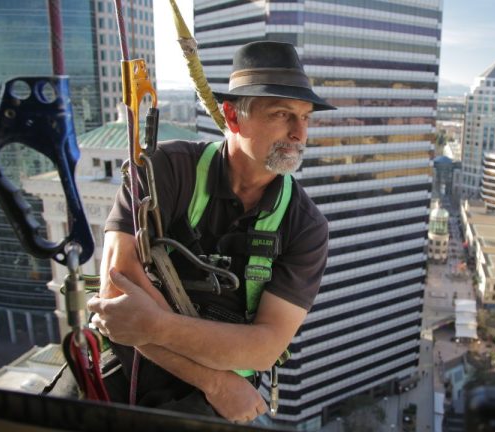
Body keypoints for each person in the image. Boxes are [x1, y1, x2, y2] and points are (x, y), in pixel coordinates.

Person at [87, 41, 335, 423]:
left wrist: (153, 324)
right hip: (135, 367)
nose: (299, 133)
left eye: (305, 118)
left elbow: (264, 347)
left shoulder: (305, 227)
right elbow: (117, 297)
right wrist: (214, 382)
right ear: (233, 117)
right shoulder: (163, 170)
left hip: (215, 395)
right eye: (283, 114)